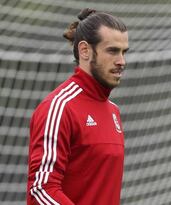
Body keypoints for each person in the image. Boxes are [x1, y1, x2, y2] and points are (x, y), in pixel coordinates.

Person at [27, 8, 129, 205]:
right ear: (85, 51)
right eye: (112, 51)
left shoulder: (114, 111)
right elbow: (41, 190)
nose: (121, 61)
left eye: (124, 52)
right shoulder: (58, 108)